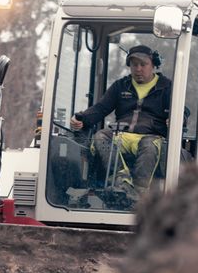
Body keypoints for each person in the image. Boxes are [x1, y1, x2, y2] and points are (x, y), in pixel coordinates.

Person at [70, 44, 173, 199]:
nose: (138, 69)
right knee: (100, 136)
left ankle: (138, 193)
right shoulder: (120, 85)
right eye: (134, 65)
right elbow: (101, 108)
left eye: (143, 64)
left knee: (150, 146)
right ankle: (121, 180)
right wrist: (81, 119)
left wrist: (177, 119)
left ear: (153, 65)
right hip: (122, 135)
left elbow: (181, 110)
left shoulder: (166, 87)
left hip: (151, 136)